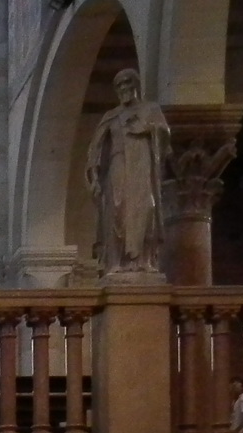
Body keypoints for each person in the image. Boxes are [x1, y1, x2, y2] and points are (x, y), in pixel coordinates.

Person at [85, 68, 172, 278]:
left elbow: (165, 135)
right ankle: (116, 263)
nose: (124, 88)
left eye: (128, 83)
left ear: (136, 85)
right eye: (120, 85)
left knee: (146, 208)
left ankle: (144, 261)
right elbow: (95, 148)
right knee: (117, 209)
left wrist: (147, 128)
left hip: (142, 166)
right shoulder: (111, 116)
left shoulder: (150, 110)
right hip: (118, 165)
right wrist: (94, 176)